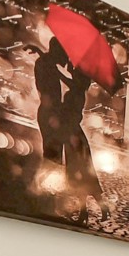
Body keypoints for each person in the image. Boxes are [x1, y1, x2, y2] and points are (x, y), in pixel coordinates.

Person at [33, 36, 99, 198]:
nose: (67, 59)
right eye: (65, 53)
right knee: (53, 157)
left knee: (56, 158)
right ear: (57, 51)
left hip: (60, 121)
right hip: (53, 118)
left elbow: (61, 77)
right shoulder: (47, 65)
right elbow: (52, 79)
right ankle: (38, 189)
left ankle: (40, 190)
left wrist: (42, 54)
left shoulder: (72, 86)